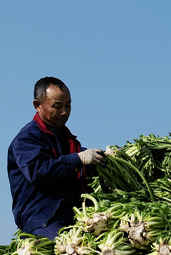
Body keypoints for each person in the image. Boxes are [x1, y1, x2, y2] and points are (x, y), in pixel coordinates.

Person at [7, 77, 105, 239]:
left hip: (74, 214)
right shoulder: (27, 139)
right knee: (64, 246)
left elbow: (80, 163)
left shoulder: (67, 139)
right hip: (43, 216)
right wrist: (79, 160)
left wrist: (106, 158)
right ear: (37, 105)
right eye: (57, 106)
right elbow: (39, 172)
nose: (64, 112)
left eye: (68, 105)